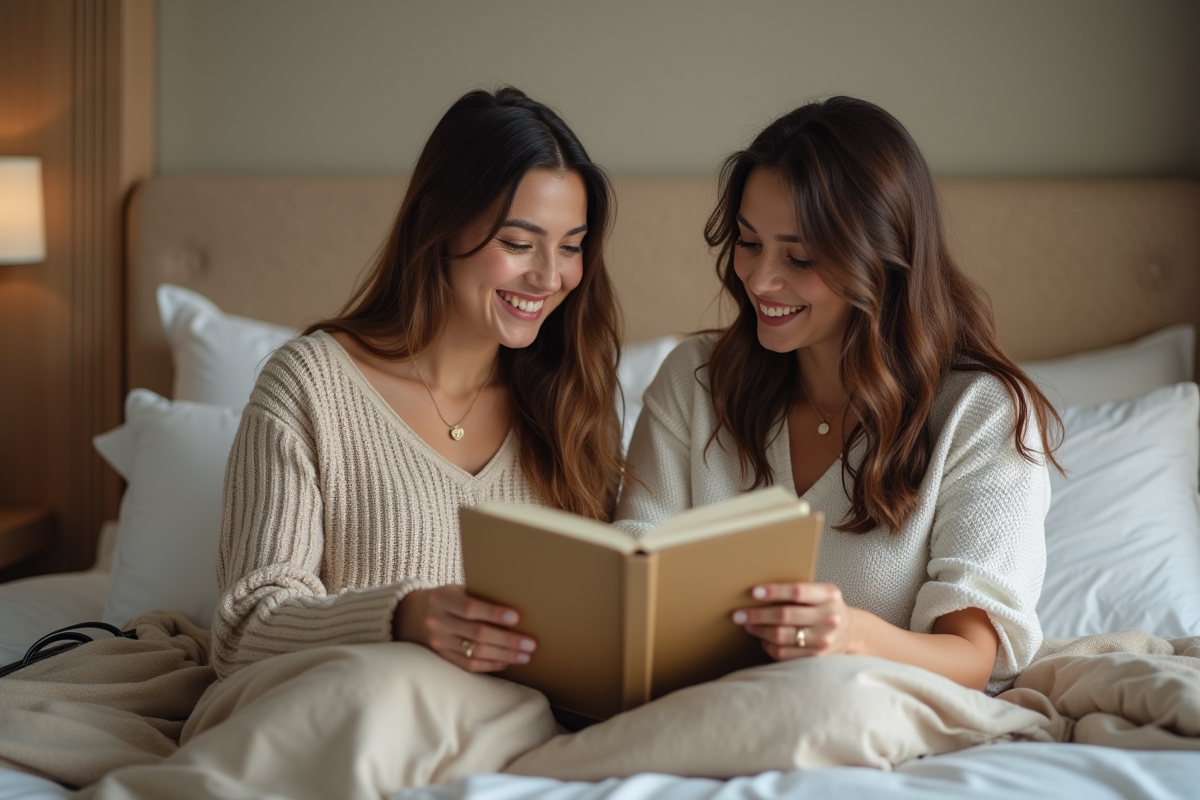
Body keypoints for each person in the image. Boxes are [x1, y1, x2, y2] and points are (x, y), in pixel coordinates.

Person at [80, 87, 623, 800]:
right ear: (437, 222)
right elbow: (244, 629)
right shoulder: (311, 384)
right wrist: (403, 619)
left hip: (508, 729)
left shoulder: (570, 404)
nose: (550, 278)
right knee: (386, 685)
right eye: (519, 243)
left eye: (572, 248)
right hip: (333, 706)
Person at [616, 96, 1060, 695]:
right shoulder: (695, 380)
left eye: (799, 257)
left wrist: (852, 638)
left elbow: (971, 659)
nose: (760, 279)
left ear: (881, 261)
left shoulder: (979, 413)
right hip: (704, 710)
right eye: (748, 243)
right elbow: (632, 582)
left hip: (873, 719)